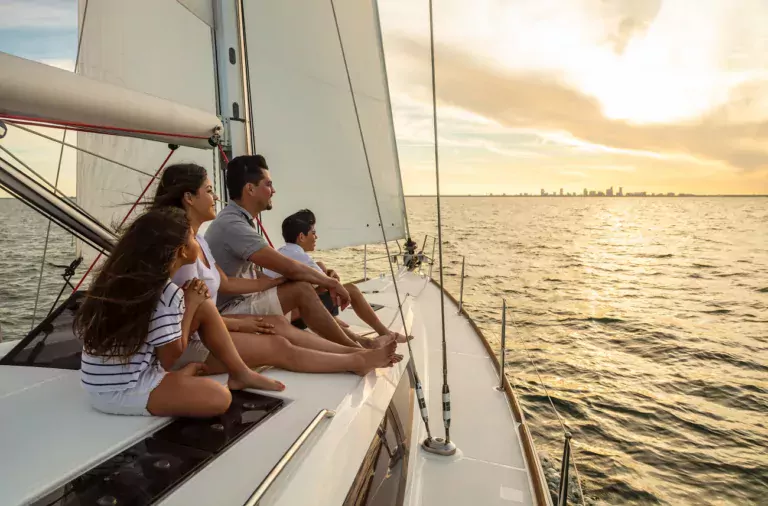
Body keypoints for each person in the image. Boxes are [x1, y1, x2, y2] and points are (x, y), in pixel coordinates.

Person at [150, 163, 398, 373]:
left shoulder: (199, 240)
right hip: (199, 331)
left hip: (213, 320)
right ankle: (356, 358)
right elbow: (180, 310)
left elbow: (225, 283)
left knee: (279, 324)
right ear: (189, 198)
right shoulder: (187, 244)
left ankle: (354, 351)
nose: (215, 197)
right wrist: (326, 282)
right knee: (282, 335)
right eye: (209, 191)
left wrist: (275, 282)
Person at [75, 207, 284, 418]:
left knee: (204, 305)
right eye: (193, 237)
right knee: (219, 398)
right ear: (182, 251)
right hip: (124, 390)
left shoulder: (121, 281)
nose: (198, 241)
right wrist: (191, 303)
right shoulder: (165, 292)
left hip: (98, 386)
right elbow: (169, 357)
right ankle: (190, 378)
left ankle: (240, 372)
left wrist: (194, 303)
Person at [205, 155, 390, 349]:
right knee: (301, 289)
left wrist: (286, 280)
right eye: (268, 185)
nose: (273, 191)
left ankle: (360, 343)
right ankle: (356, 351)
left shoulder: (235, 220)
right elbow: (288, 267)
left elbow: (251, 273)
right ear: (250, 189)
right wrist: (331, 282)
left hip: (239, 301)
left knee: (300, 285)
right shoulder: (233, 225)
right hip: (227, 311)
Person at [265, 209, 409, 342]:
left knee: (321, 266)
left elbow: (319, 277)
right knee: (351, 290)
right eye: (313, 232)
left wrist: (327, 274)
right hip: (289, 317)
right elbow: (332, 284)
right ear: (302, 237)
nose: (316, 237)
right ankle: (385, 333)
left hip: (280, 311)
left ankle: (335, 319)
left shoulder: (283, 252)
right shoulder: (300, 257)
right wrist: (331, 277)